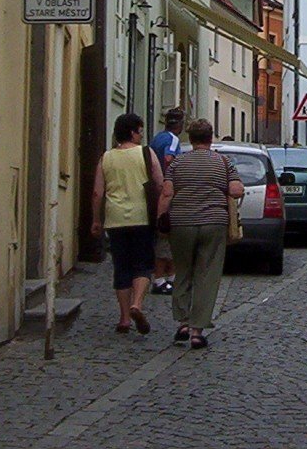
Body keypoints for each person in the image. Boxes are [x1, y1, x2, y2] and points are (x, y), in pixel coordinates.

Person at [158, 118, 243, 350]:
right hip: (213, 223)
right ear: (211, 137)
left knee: (183, 271)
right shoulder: (223, 162)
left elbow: (166, 194)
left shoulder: (177, 164)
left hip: (182, 223)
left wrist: (161, 220)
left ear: (191, 139)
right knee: (207, 274)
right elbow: (236, 190)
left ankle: (183, 323)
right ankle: (197, 331)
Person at [90, 113, 163, 335]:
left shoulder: (106, 158)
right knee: (143, 264)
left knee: (121, 267)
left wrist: (96, 220)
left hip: (115, 219)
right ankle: (137, 304)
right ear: (132, 132)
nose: (141, 135)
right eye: (140, 131)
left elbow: (97, 193)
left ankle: (123, 319)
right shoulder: (146, 153)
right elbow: (160, 184)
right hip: (142, 217)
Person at [149, 107, 185, 295]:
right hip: (167, 191)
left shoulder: (157, 138)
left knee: (164, 234)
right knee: (167, 235)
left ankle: (170, 277)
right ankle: (161, 278)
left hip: (156, 191)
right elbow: (169, 158)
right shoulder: (173, 139)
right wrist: (171, 179)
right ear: (180, 125)